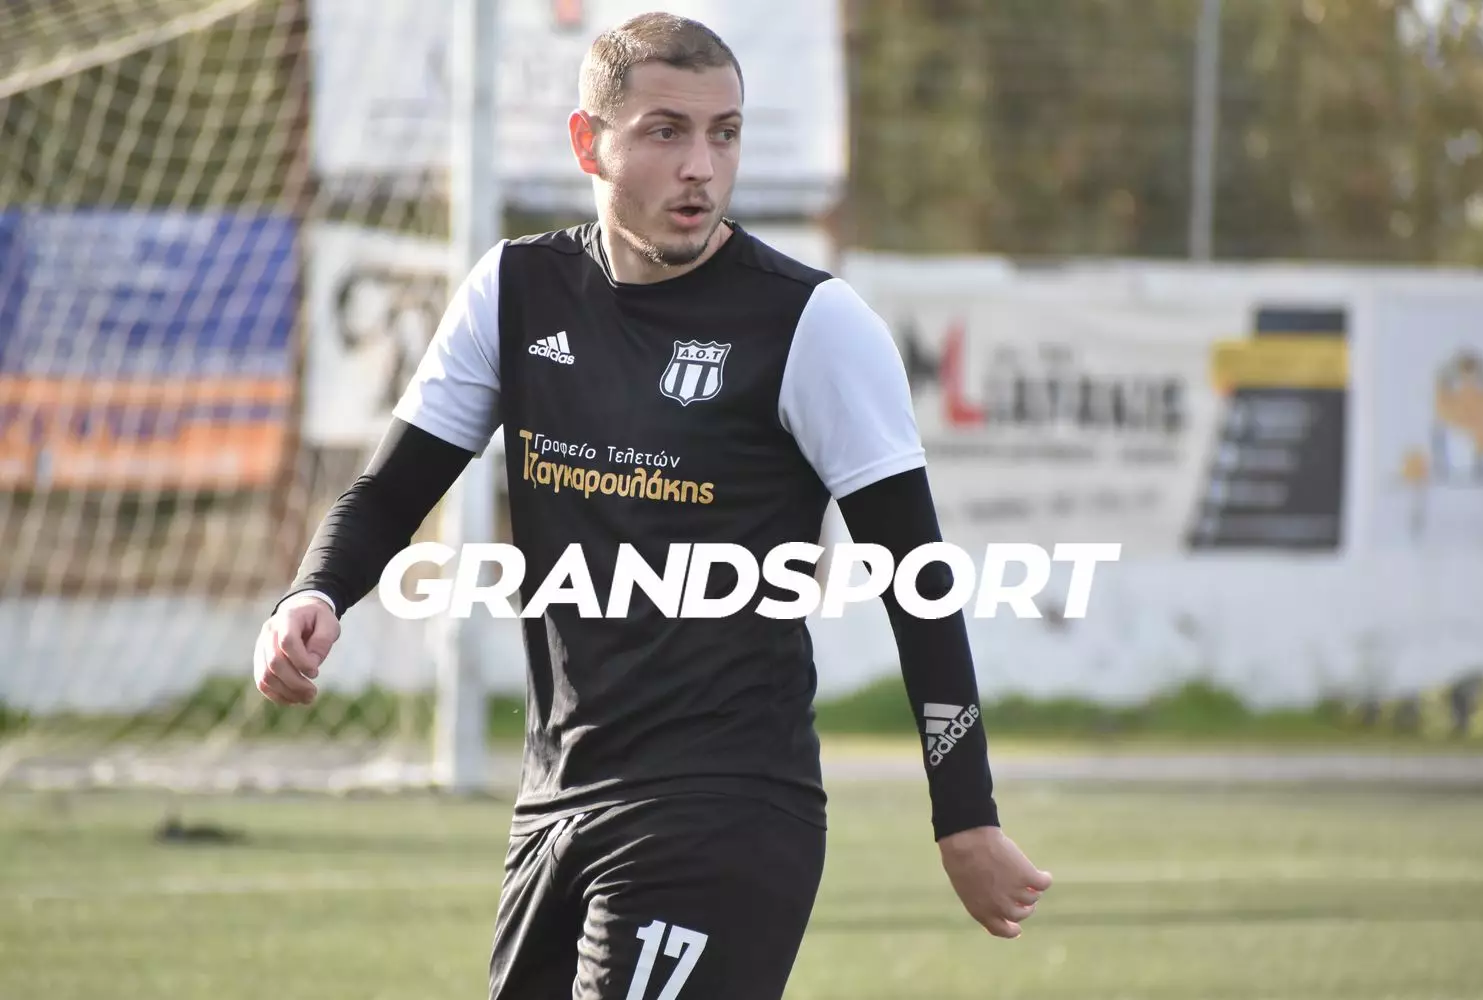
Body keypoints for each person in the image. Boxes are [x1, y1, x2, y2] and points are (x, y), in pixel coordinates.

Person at [251, 12, 1051, 999]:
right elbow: (388, 493)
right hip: (557, 802)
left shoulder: (812, 323)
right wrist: (316, 592)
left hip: (726, 808)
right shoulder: (514, 291)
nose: (701, 168)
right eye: (666, 131)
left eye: (725, 133)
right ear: (589, 142)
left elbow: (920, 582)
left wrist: (964, 812)